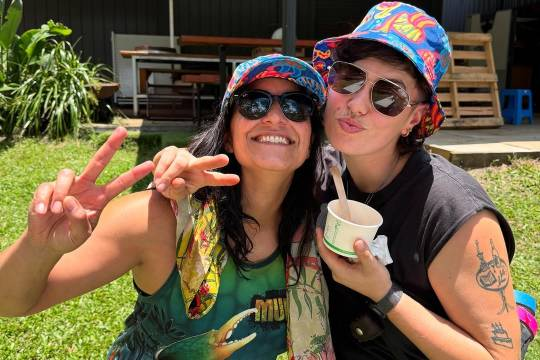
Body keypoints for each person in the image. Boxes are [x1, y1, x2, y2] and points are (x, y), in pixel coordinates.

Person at [151, 3, 522, 359]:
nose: (357, 103)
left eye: (388, 95)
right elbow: (247, 169)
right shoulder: (320, 176)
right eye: (349, 78)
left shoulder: (450, 211)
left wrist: (385, 293)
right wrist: (177, 169)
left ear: (413, 118)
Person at [0, 54, 335, 359]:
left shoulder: (321, 236)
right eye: (254, 103)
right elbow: (12, 301)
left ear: (310, 142)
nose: (275, 117)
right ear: (229, 135)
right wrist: (38, 246)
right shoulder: (159, 218)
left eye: (297, 106)